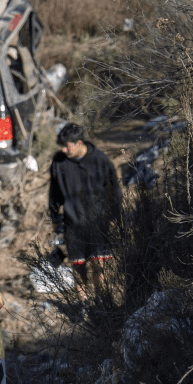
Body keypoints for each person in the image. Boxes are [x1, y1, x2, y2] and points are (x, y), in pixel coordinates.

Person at [48, 123, 122, 291]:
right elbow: (54, 193)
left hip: (98, 223)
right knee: (78, 270)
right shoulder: (59, 162)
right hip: (73, 224)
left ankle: (102, 305)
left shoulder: (100, 160)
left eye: (67, 146)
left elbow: (114, 192)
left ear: (79, 143)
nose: (64, 150)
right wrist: (55, 219)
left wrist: (115, 219)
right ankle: (84, 306)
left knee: (100, 270)